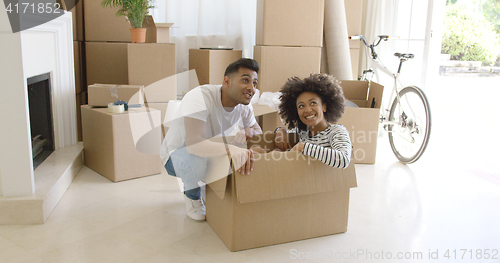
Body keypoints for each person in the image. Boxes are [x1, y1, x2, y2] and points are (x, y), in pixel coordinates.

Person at [160, 58, 262, 221]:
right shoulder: (200, 97)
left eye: (255, 83)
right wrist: (231, 149)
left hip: (208, 151)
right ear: (227, 81)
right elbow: (194, 146)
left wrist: (249, 130)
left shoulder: (244, 106)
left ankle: (211, 188)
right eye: (245, 80)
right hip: (177, 154)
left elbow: (259, 131)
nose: (252, 88)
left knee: (241, 150)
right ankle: (192, 196)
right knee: (197, 163)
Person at [273, 73, 352, 168]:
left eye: (313, 103)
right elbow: (287, 134)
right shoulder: (302, 132)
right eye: (301, 106)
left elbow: (343, 160)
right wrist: (281, 131)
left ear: (324, 106)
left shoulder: (337, 131)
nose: (307, 110)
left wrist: (303, 147)